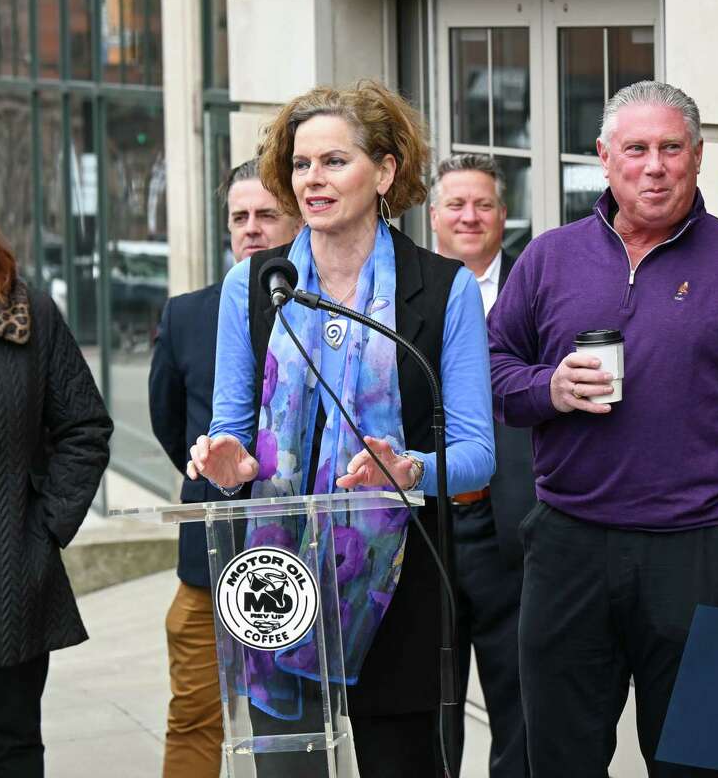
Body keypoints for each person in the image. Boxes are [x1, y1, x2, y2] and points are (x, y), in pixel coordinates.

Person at [487, 80, 718, 776]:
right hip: (568, 544)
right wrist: (548, 387)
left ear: (699, 158)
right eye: (636, 149)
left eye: (671, 148)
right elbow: (489, 371)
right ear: (605, 158)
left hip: (701, 552)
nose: (654, 165)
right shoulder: (548, 258)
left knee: (706, 758)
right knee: (558, 761)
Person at [187, 82, 495, 777]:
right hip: (278, 583)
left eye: (334, 161)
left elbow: (477, 454)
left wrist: (412, 468)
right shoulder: (256, 283)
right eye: (300, 165)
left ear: (384, 172)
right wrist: (229, 465)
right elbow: (230, 431)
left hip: (397, 585)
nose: (312, 181)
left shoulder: (443, 290)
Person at [148, 159, 302, 777]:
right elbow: (169, 424)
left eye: (267, 215)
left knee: (292, 722)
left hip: (300, 555)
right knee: (193, 715)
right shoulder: (187, 315)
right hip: (207, 562)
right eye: (240, 217)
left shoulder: (325, 305)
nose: (252, 229)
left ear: (295, 222)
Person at [0, 183, 112, 776]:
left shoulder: (29, 316)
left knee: (13, 740)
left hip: (2, 572)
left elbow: (86, 427)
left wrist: (45, 527)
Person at [429, 153, 532, 777]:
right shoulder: (399, 292)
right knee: (429, 702)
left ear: (503, 215)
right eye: (457, 205)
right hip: (426, 526)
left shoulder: (536, 288)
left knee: (520, 701)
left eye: (484, 204)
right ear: (434, 216)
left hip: (511, 531)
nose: (470, 217)